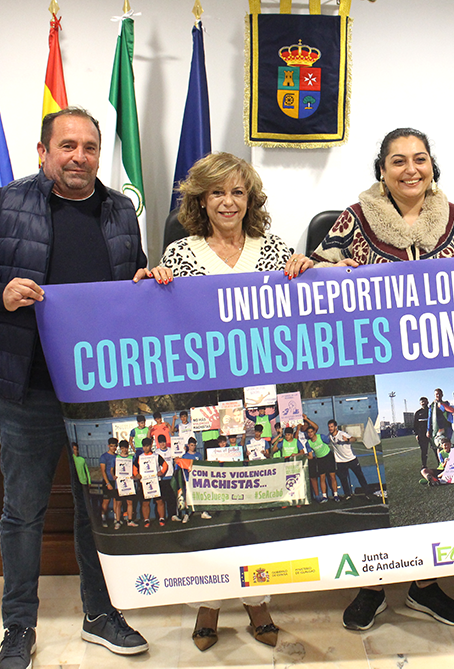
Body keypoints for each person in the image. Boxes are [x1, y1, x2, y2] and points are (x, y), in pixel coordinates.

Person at [0, 107, 153, 668]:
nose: (79, 157)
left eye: (89, 147)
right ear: (43, 152)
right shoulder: (7, 203)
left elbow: (132, 276)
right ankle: (18, 625)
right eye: (67, 146)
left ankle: (100, 614)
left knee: (97, 508)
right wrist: (0, 294)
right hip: (28, 387)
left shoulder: (120, 209)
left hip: (100, 389)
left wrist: (145, 281)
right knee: (23, 510)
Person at [285, 127, 454, 632]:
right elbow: (316, 274)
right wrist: (310, 264)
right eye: (399, 161)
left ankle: (425, 586)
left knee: (430, 478)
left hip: (435, 367)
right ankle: (372, 586)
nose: (411, 169)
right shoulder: (355, 219)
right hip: (370, 370)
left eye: (420, 159)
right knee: (382, 486)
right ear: (382, 171)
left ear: (432, 167)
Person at [155, 151, 289, 650]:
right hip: (206, 400)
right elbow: (165, 321)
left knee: (257, 500)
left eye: (237, 191)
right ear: (201, 200)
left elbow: (296, 315)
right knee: (211, 500)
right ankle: (208, 603)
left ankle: (258, 602)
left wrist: (307, 271)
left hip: (260, 399)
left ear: (250, 199)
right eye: (217, 192)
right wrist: (152, 286)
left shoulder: (276, 250)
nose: (228, 201)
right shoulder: (180, 255)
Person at [328, 419, 372, 499]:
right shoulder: (330, 436)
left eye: (332, 427)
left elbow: (354, 439)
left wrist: (347, 440)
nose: (330, 428)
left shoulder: (342, 434)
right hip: (340, 461)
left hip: (351, 459)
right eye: (329, 427)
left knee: (360, 476)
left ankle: (367, 493)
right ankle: (348, 495)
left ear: (335, 427)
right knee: (343, 479)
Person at [413, 396, 432, 468]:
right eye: (422, 402)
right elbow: (415, 424)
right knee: (424, 451)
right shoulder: (418, 413)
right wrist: (416, 434)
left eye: (425, 401)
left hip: (431, 433)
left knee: (435, 449)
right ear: (420, 403)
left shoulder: (431, 411)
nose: (423, 403)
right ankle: (424, 465)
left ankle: (440, 463)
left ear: (427, 402)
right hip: (422, 435)